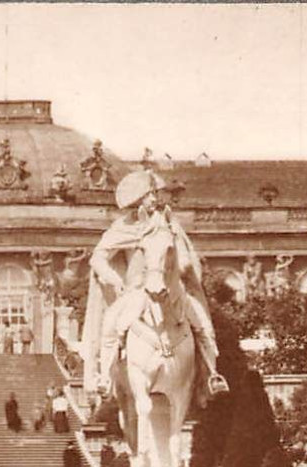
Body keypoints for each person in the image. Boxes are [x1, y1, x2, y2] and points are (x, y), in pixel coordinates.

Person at [81, 169, 229, 404]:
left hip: (172, 290)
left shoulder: (169, 223)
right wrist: (114, 279)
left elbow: (186, 258)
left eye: (156, 194)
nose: (156, 199)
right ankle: (104, 378)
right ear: (139, 198)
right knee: (110, 327)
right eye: (151, 194)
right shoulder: (125, 226)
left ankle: (212, 375)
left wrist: (186, 271)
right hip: (139, 291)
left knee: (203, 327)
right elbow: (97, 258)